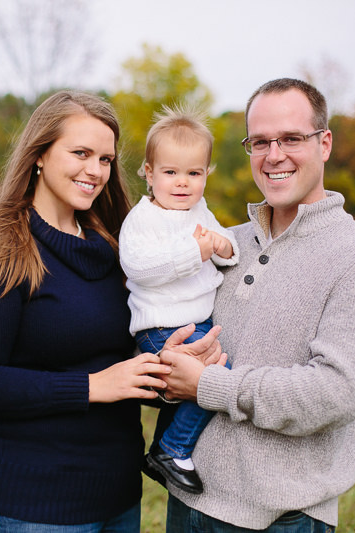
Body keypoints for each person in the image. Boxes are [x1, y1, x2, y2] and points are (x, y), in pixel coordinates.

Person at [158, 78, 355, 532]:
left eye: (291, 139)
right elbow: (173, 340)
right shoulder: (225, 243)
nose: (274, 155)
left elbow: (336, 392)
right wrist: (171, 371)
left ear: (324, 143)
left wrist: (209, 386)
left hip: (281, 518)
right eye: (260, 142)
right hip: (189, 503)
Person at [0, 90, 183, 532]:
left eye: (106, 159)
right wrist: (90, 387)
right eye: (80, 153)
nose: (95, 171)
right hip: (27, 502)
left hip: (116, 495)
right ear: (39, 155)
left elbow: (116, 363)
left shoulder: (114, 245)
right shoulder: (0, 247)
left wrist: (169, 366)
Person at [119, 105, 239, 495]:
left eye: (194, 173)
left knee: (208, 373)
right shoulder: (143, 220)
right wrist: (195, 254)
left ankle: (162, 450)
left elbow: (226, 249)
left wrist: (222, 246)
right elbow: (139, 267)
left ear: (206, 175)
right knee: (212, 378)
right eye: (170, 172)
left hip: (194, 322)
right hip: (160, 325)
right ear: (149, 173)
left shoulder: (199, 210)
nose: (182, 183)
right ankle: (172, 448)